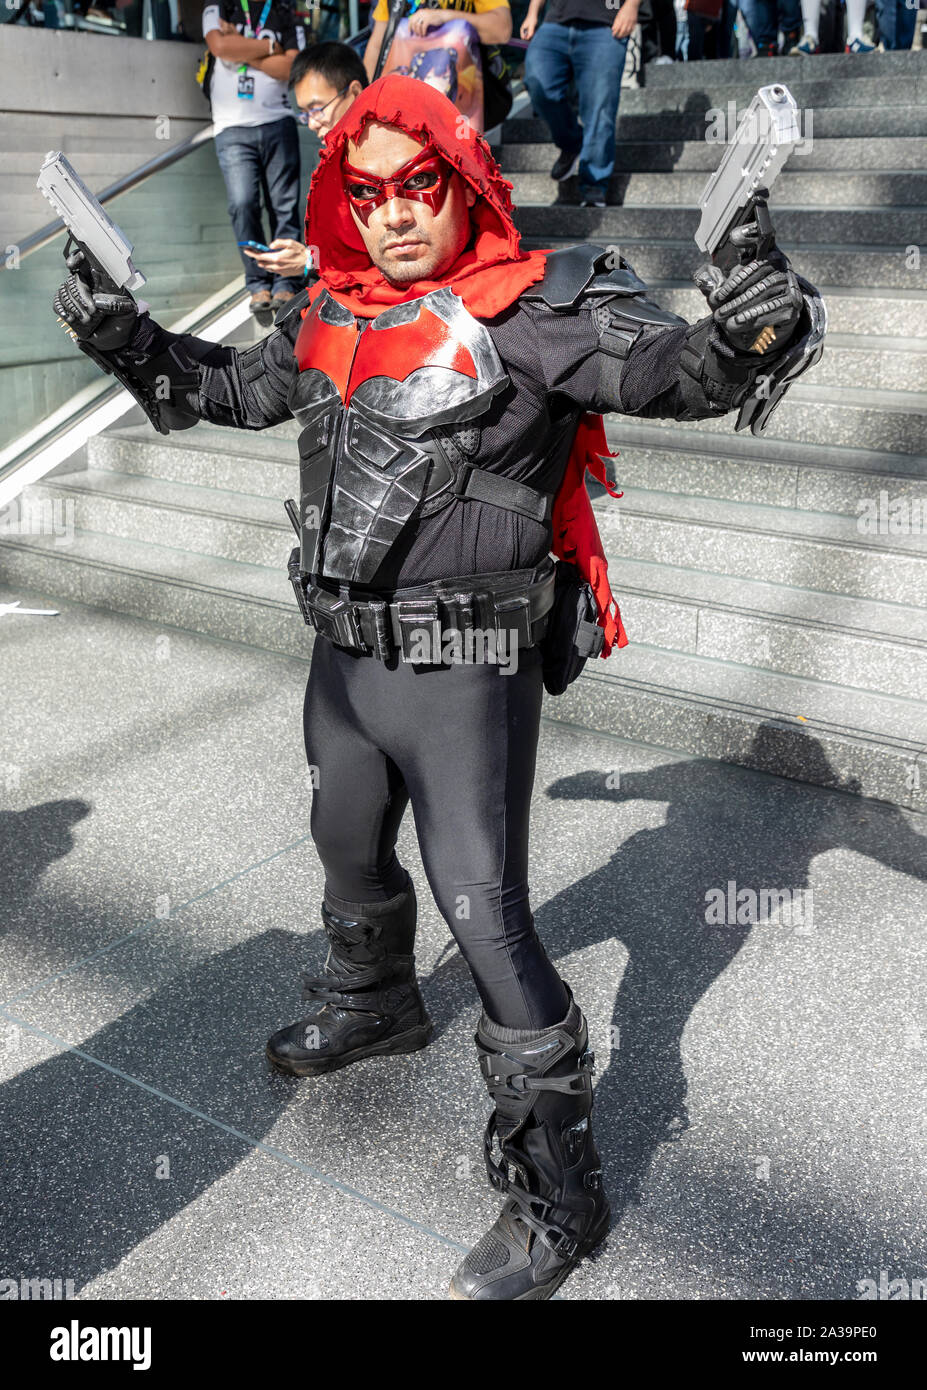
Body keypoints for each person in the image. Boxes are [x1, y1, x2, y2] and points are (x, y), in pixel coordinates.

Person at [52, 74, 821, 1300]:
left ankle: (559, 1192)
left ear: (464, 185)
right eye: (369, 193)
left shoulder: (539, 309)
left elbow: (681, 371)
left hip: (467, 665)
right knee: (343, 843)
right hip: (343, 659)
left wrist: (750, 323)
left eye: (420, 188)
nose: (396, 214)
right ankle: (377, 1003)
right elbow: (230, 392)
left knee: (487, 910)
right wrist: (126, 335)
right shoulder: (330, 311)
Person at [202, 0, 303, 313]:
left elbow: (291, 68)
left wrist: (244, 48)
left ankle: (286, 280)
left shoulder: (285, 10)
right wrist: (269, 48)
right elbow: (219, 45)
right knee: (243, 204)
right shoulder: (219, 6)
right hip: (232, 127)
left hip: (278, 121)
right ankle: (258, 282)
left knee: (284, 207)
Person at [242, 41, 369, 285]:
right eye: (304, 113)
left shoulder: (381, 165)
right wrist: (309, 257)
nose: (311, 123)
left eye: (318, 108)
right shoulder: (336, 163)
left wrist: (310, 261)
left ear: (354, 93)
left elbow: (383, 263)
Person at [520, 0, 638, 209]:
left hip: (606, 23)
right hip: (556, 21)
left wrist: (631, 6)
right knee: (538, 83)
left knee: (600, 106)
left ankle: (594, 183)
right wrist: (532, 13)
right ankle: (572, 143)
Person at [363, 0, 513, 81]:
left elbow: (502, 29)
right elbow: (377, 46)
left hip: (460, 102)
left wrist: (447, 16)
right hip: (404, 97)